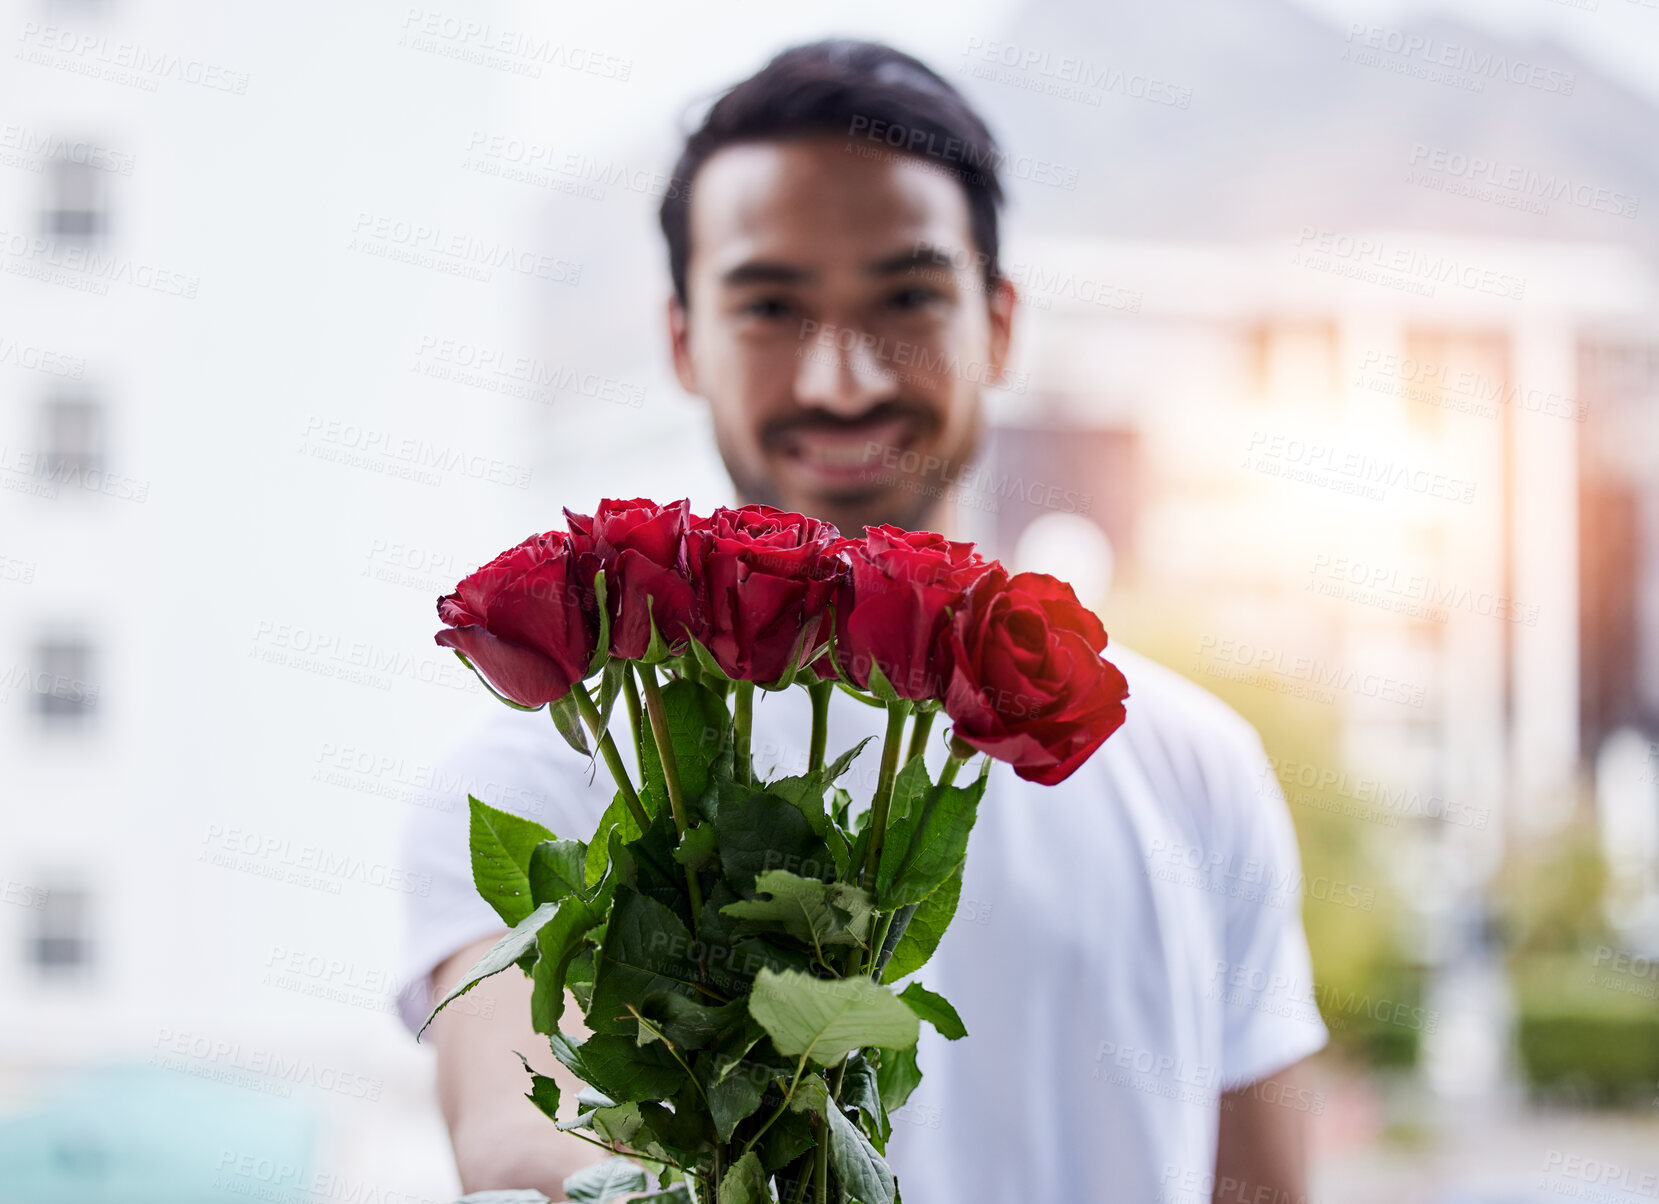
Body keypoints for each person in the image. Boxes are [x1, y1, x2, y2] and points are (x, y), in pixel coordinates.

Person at [397, 40, 1327, 1203]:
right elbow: (525, 1134)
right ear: (683, 341)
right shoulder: (542, 774)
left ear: (997, 324)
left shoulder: (1195, 768)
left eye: (906, 298)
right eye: (772, 307)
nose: (842, 378)